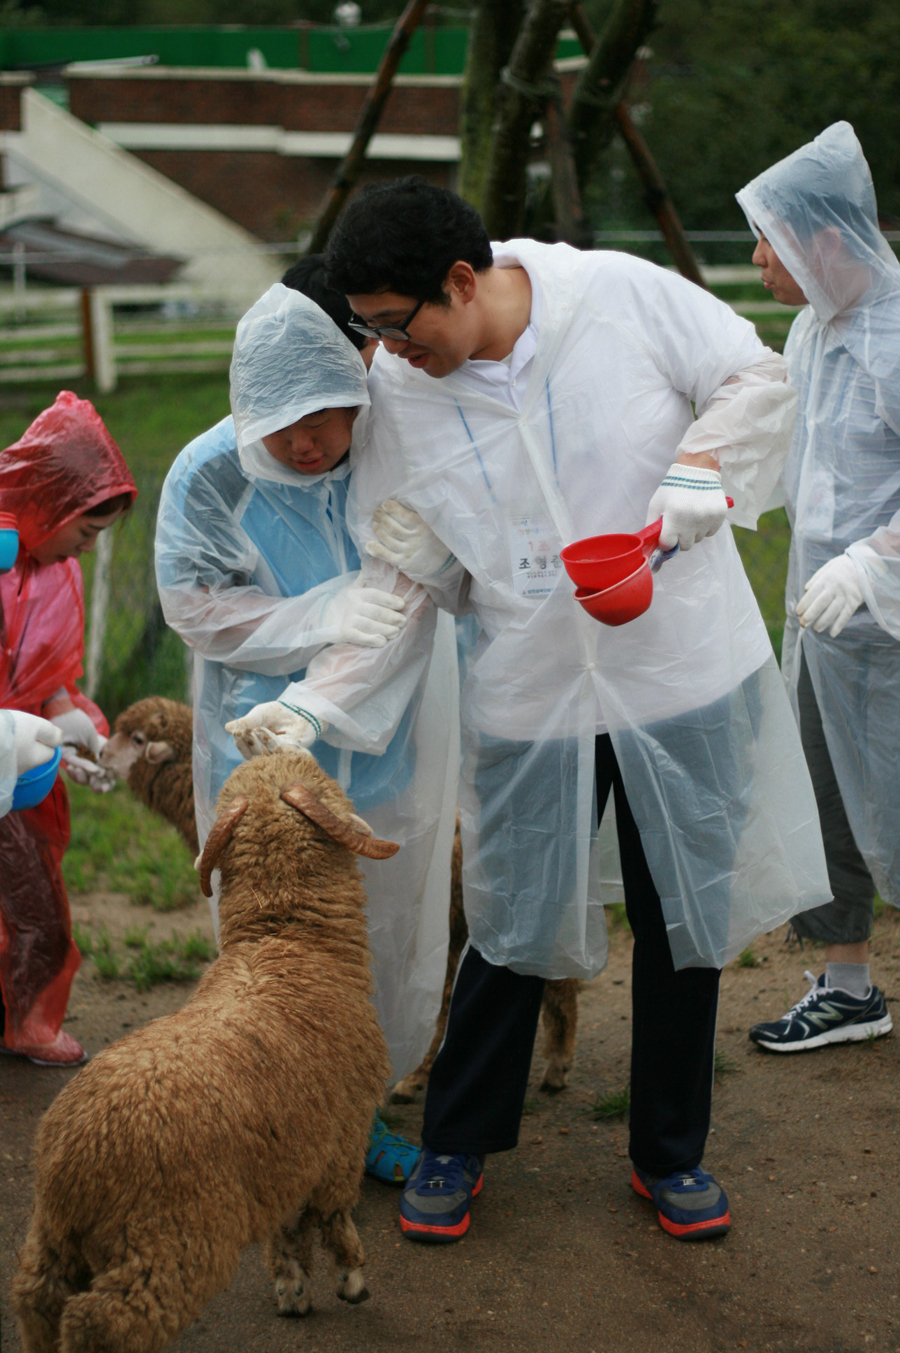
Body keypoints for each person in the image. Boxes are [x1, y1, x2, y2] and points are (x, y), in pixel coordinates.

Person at [228, 178, 833, 1244]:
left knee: (678, 917)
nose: (382, 352)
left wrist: (703, 469)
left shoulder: (616, 296)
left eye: (393, 324)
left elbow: (755, 374)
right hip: (536, 688)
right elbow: (403, 574)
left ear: (461, 282)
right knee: (506, 923)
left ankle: (670, 1154)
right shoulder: (405, 401)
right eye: (363, 328)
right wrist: (314, 702)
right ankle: (458, 1141)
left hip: (678, 667)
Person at [155, 282, 459, 1184]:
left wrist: (369, 622)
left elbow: (417, 571)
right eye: (281, 424)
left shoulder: (385, 445)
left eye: (322, 418)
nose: (303, 443)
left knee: (383, 925)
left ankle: (356, 1112)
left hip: (381, 737)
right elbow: (197, 608)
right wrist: (330, 608)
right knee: (275, 941)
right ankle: (276, 1114)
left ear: (357, 384)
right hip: (258, 744)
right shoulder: (212, 472)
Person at [737, 123, 900, 1051]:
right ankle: (849, 984)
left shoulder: (895, 335)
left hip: (888, 616)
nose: (759, 259)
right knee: (827, 790)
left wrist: (877, 560)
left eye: (770, 239)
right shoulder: (814, 328)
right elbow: (797, 452)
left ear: (825, 241)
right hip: (829, 619)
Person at [0, 391, 135, 1066]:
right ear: (49, 500)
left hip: (21, 778)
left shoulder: (57, 571)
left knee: (34, 898)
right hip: (8, 757)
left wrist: (72, 722)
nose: (87, 544)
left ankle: (26, 1018)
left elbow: (50, 671)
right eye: (85, 527)